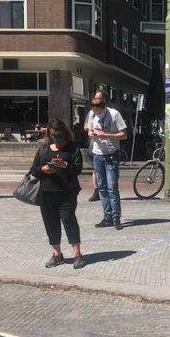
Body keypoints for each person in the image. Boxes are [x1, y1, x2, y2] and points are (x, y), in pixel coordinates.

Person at [31, 118, 85, 269]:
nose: (57, 138)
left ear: (66, 134)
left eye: (60, 135)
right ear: (49, 134)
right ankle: (57, 254)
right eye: (54, 135)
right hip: (46, 193)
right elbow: (33, 170)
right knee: (51, 224)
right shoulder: (43, 148)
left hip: (66, 192)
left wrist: (65, 165)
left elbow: (78, 169)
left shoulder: (73, 148)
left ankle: (77, 255)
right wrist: (43, 169)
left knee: (69, 221)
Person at [86, 89, 127, 230]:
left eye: (98, 112)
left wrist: (108, 135)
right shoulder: (92, 114)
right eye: (94, 112)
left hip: (111, 154)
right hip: (97, 154)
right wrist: (92, 134)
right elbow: (89, 129)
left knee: (112, 187)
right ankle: (107, 216)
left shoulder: (114, 114)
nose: (96, 114)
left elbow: (124, 134)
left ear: (103, 107)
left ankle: (116, 218)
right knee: (102, 188)